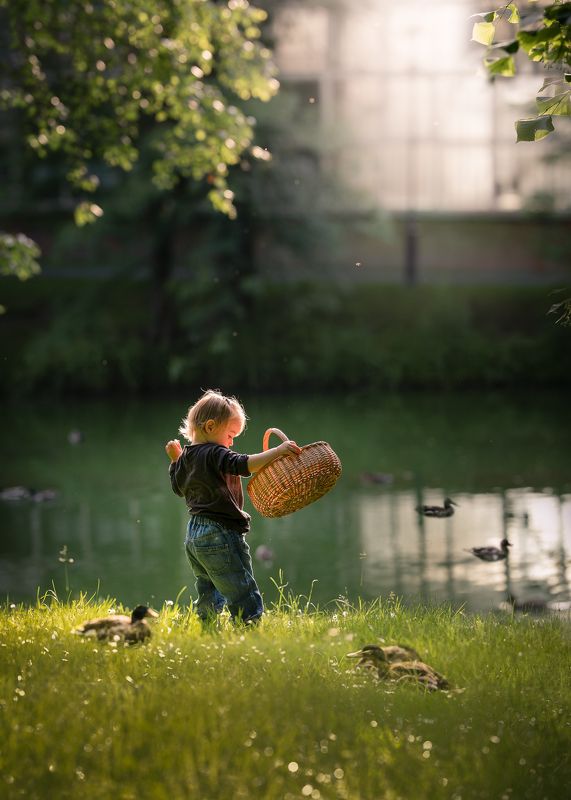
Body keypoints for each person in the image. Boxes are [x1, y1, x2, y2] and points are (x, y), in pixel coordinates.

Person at [165, 389, 301, 624]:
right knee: (239, 583)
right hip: (220, 531)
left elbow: (179, 488)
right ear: (210, 427)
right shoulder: (215, 452)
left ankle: (207, 621)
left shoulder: (187, 456)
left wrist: (176, 461)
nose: (232, 442)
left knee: (208, 584)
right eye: (230, 434)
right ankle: (249, 622)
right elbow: (244, 465)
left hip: (194, 534)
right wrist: (277, 452)